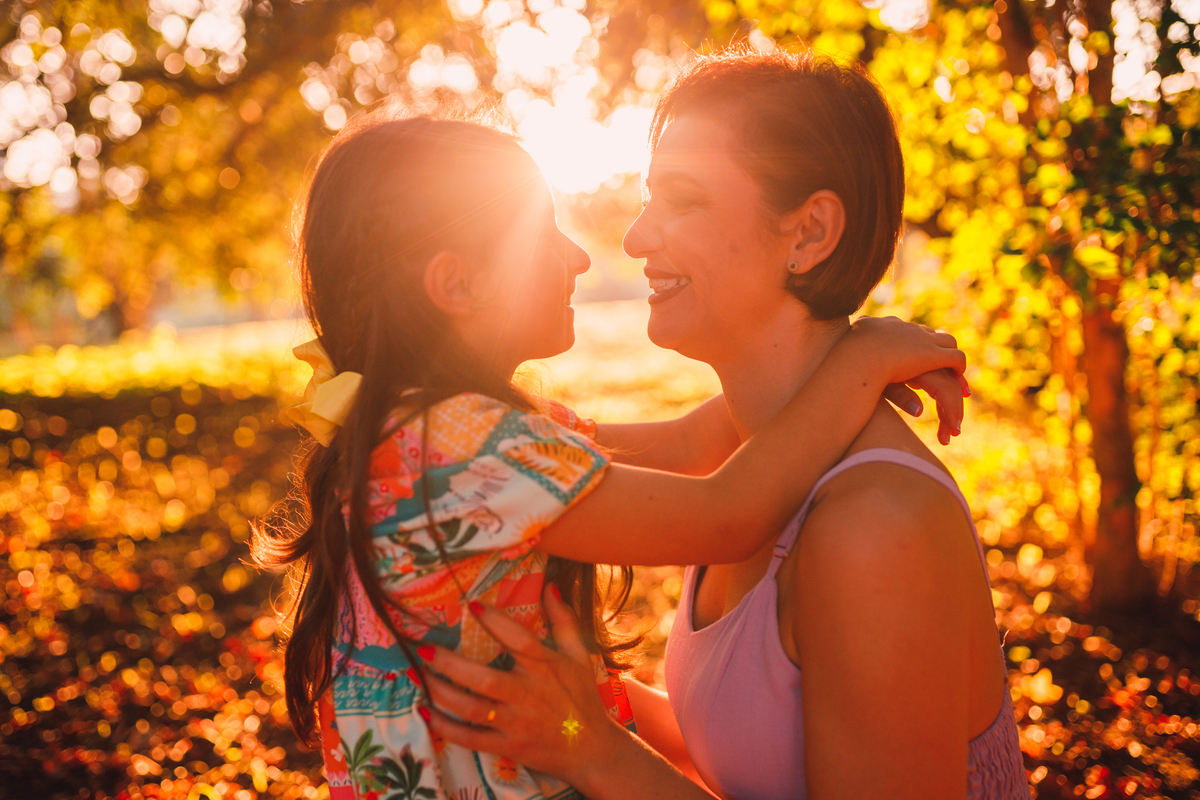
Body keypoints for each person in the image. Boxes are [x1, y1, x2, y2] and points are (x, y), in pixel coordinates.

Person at [254, 106, 968, 800]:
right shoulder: (463, 442)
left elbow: (688, 444)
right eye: (542, 235)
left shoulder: (427, 434)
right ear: (458, 284)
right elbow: (726, 515)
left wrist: (815, 372)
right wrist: (860, 362)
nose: (584, 254)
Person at [417, 49, 1028, 800]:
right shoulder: (751, 452)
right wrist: (565, 705)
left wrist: (597, 752)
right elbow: (745, 748)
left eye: (682, 199)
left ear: (808, 234)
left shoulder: (876, 528)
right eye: (649, 198)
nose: (636, 237)